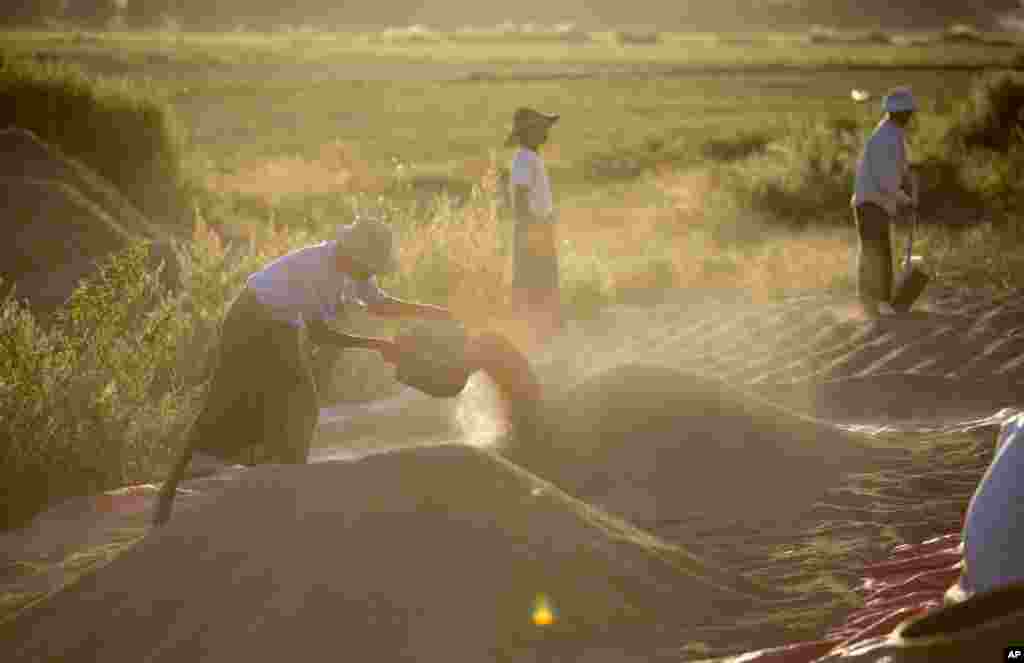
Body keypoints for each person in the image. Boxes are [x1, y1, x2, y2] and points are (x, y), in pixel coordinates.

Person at [154, 218, 453, 525]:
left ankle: (276, 488)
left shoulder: (355, 269)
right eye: (369, 267)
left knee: (292, 407)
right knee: (248, 401)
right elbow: (320, 334)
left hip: (282, 324)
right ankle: (176, 495)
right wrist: (376, 344)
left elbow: (380, 305)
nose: (370, 275)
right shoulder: (318, 270)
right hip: (250, 319)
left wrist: (435, 313)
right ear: (355, 255)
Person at [851, 87, 919, 318]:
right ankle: (875, 304)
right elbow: (886, 179)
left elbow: (898, 170)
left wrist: (908, 181)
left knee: (876, 252)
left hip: (874, 203)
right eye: (908, 112)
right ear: (901, 113)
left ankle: (876, 303)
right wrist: (905, 200)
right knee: (876, 254)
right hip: (872, 203)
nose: (910, 116)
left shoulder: (891, 134)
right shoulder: (887, 137)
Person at [506, 107, 564, 344]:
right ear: (529, 132)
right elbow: (521, 196)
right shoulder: (524, 158)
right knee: (534, 276)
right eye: (541, 128)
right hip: (532, 226)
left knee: (539, 275)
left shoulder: (530, 157)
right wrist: (531, 227)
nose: (546, 133)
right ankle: (534, 329)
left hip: (536, 225)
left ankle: (542, 327)